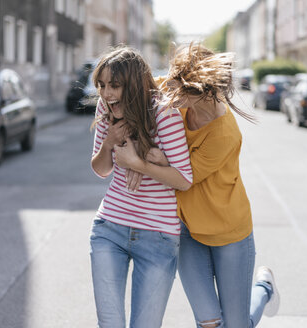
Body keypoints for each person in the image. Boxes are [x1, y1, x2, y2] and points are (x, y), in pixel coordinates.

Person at [128, 43, 280, 328]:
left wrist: (148, 159)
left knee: (235, 325)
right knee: (209, 322)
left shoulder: (224, 132)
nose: (170, 95)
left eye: (179, 90)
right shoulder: (176, 91)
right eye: (171, 83)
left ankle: (264, 289)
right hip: (187, 229)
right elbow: (134, 99)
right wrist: (137, 141)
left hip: (229, 232)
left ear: (203, 92)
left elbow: (183, 180)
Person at [89, 45, 193, 328]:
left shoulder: (164, 114)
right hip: (110, 228)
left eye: (115, 85)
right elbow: (101, 169)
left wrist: (138, 163)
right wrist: (110, 140)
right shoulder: (106, 108)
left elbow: (184, 179)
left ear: (134, 84)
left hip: (158, 237)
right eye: (101, 85)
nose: (107, 93)